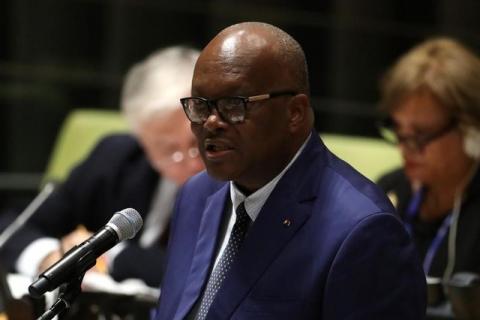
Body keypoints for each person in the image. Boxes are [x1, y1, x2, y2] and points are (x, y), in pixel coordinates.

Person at [153, 22, 426, 320]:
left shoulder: (362, 231)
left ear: (294, 112)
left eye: (234, 105)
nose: (211, 122)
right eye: (201, 106)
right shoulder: (197, 194)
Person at [0, 46, 204, 288]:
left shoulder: (239, 173)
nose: (189, 160)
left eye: (196, 142)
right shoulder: (117, 157)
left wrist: (103, 255)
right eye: (166, 149)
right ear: (142, 140)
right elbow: (13, 229)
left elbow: (205, 269)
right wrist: (52, 259)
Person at [377, 38, 480, 286]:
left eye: (420, 134)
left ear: (470, 132)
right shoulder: (387, 190)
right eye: (399, 130)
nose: (404, 147)